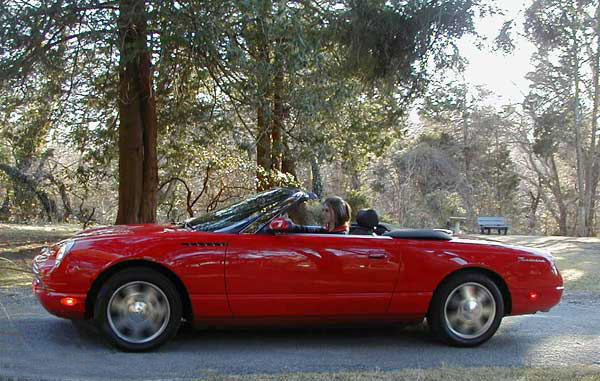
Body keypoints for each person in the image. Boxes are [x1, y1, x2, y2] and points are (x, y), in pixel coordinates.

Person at [269, 196, 351, 234]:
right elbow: (311, 230)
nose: (323, 214)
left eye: (327, 211)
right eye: (323, 210)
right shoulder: (329, 231)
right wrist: (291, 226)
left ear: (337, 213)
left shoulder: (340, 235)